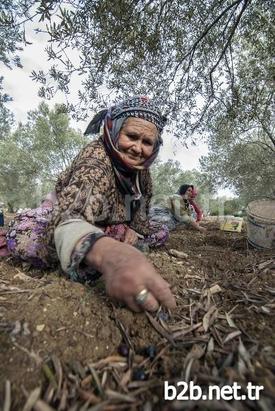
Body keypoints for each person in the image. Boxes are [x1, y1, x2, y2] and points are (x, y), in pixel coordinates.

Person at [5, 96, 176, 313]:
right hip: (65, 216)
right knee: (29, 234)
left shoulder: (142, 173)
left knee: (159, 233)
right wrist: (111, 255)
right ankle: (94, 246)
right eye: (131, 136)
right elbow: (69, 215)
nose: (137, 148)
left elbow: (143, 204)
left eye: (147, 142)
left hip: (106, 222)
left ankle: (101, 242)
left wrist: (134, 229)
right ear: (114, 131)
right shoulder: (95, 159)